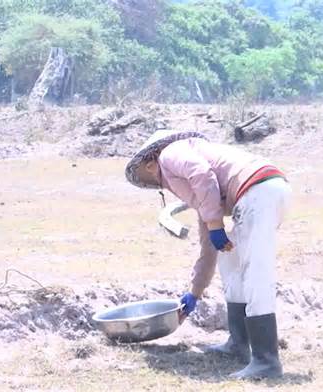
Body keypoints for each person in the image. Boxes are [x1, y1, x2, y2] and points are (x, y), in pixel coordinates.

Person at [124, 130, 291, 379]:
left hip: (258, 190)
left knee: (254, 270)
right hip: (261, 191)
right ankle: (239, 343)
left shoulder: (171, 153)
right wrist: (194, 293)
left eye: (158, 182)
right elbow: (208, 246)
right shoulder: (204, 188)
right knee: (231, 263)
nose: (164, 187)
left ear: (151, 164)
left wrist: (215, 224)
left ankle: (266, 360)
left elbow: (201, 174)